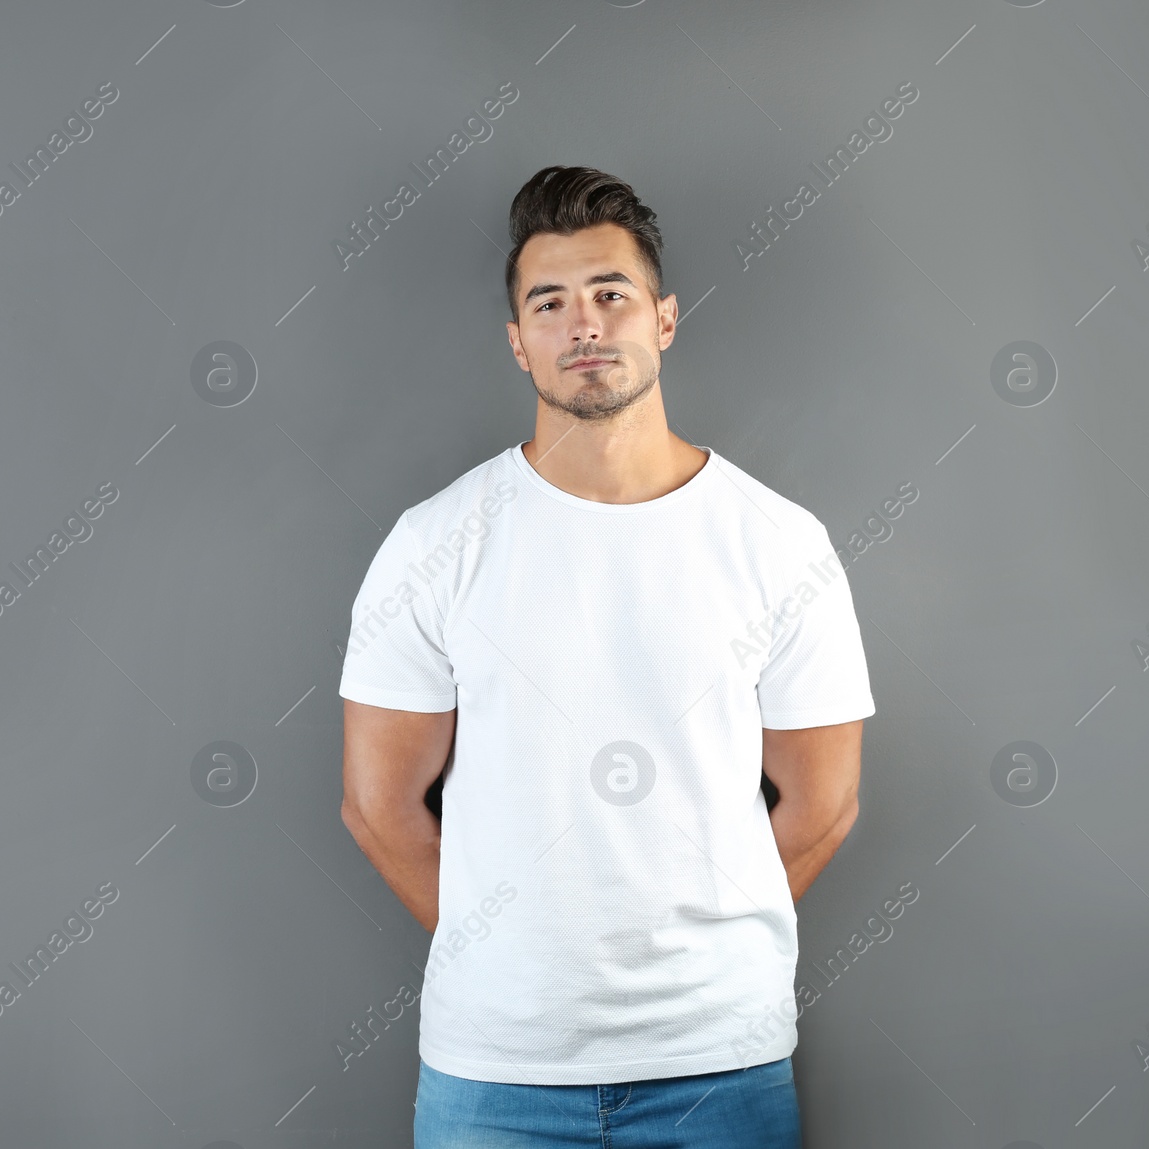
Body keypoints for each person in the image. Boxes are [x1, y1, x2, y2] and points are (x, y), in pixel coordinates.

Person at [337, 165, 875, 1148]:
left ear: (663, 320)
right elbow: (377, 808)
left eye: (609, 294)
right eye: (549, 302)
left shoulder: (777, 542)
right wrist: (510, 960)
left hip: (721, 1065)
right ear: (518, 343)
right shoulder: (436, 543)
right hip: (495, 1076)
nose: (582, 322)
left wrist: (702, 953)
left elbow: (823, 802)